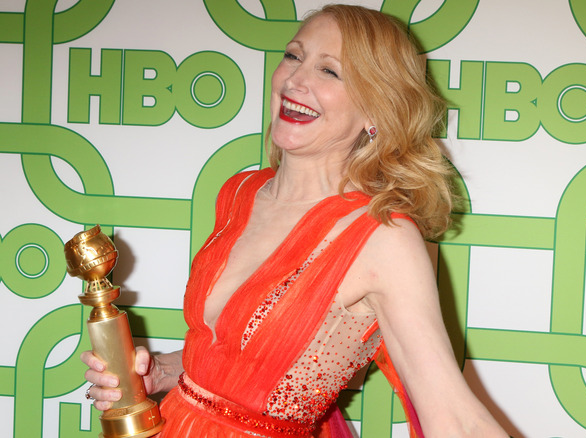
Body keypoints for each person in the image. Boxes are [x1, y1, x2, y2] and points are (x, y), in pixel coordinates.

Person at [81, 5, 509, 437]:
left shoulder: (383, 238)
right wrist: (162, 371)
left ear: (376, 110)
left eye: (331, 72)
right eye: (293, 56)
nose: (297, 80)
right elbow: (226, 350)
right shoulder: (240, 192)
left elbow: (454, 416)